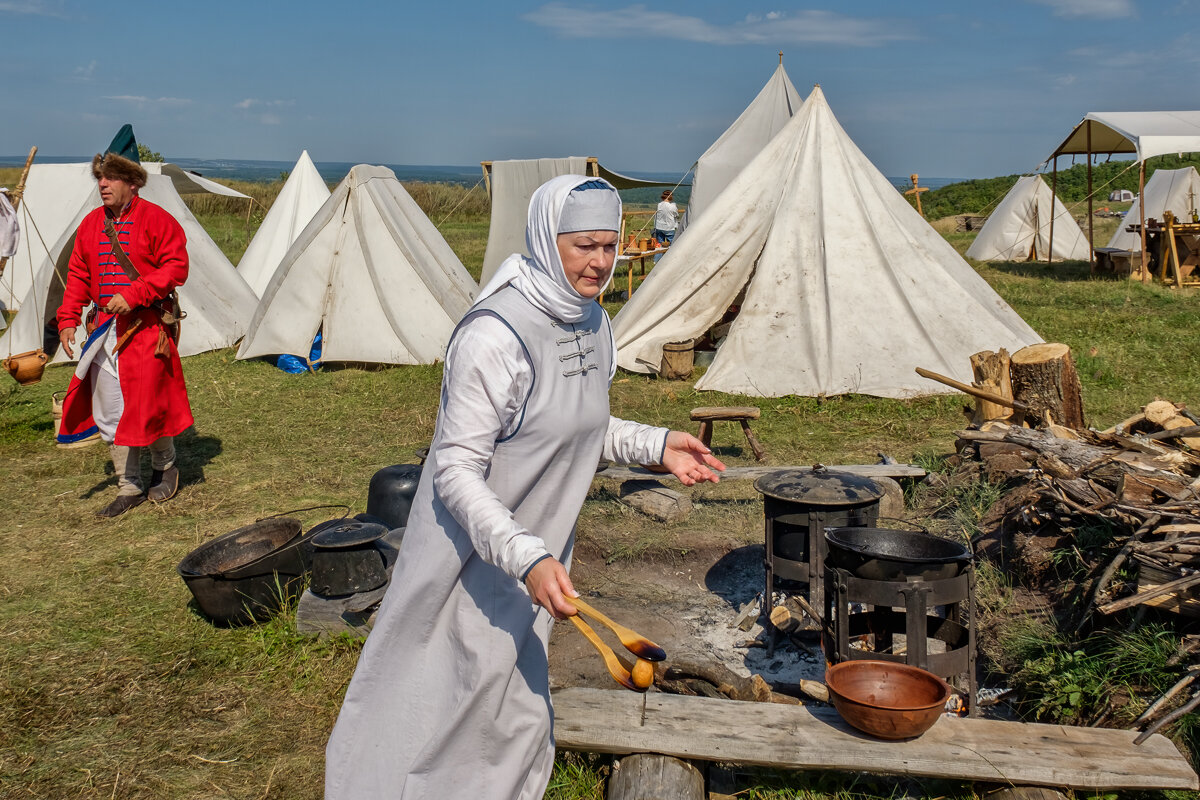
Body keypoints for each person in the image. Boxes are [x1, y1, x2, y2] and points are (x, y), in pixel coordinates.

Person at [325, 175, 724, 799]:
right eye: (584, 245)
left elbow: (570, 420)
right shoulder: (495, 334)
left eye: (610, 245)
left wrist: (655, 444)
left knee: (507, 695)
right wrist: (525, 554)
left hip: (531, 555)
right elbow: (456, 469)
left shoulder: (589, 318)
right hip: (472, 553)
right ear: (546, 238)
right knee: (448, 692)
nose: (600, 262)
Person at [56, 124, 193, 518]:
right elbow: (79, 274)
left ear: (133, 182)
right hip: (104, 332)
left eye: (112, 177)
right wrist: (67, 319)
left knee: (150, 404)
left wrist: (134, 294)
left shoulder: (157, 220)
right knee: (111, 408)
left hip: (146, 329)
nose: (103, 184)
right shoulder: (90, 226)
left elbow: (176, 266)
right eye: (100, 176)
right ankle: (129, 486)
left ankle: (165, 469)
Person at [652, 189, 679, 263]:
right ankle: (673, 260)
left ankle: (656, 261)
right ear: (671, 197)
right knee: (673, 244)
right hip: (669, 227)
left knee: (660, 245)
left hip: (659, 227)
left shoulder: (659, 205)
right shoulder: (672, 206)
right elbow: (676, 215)